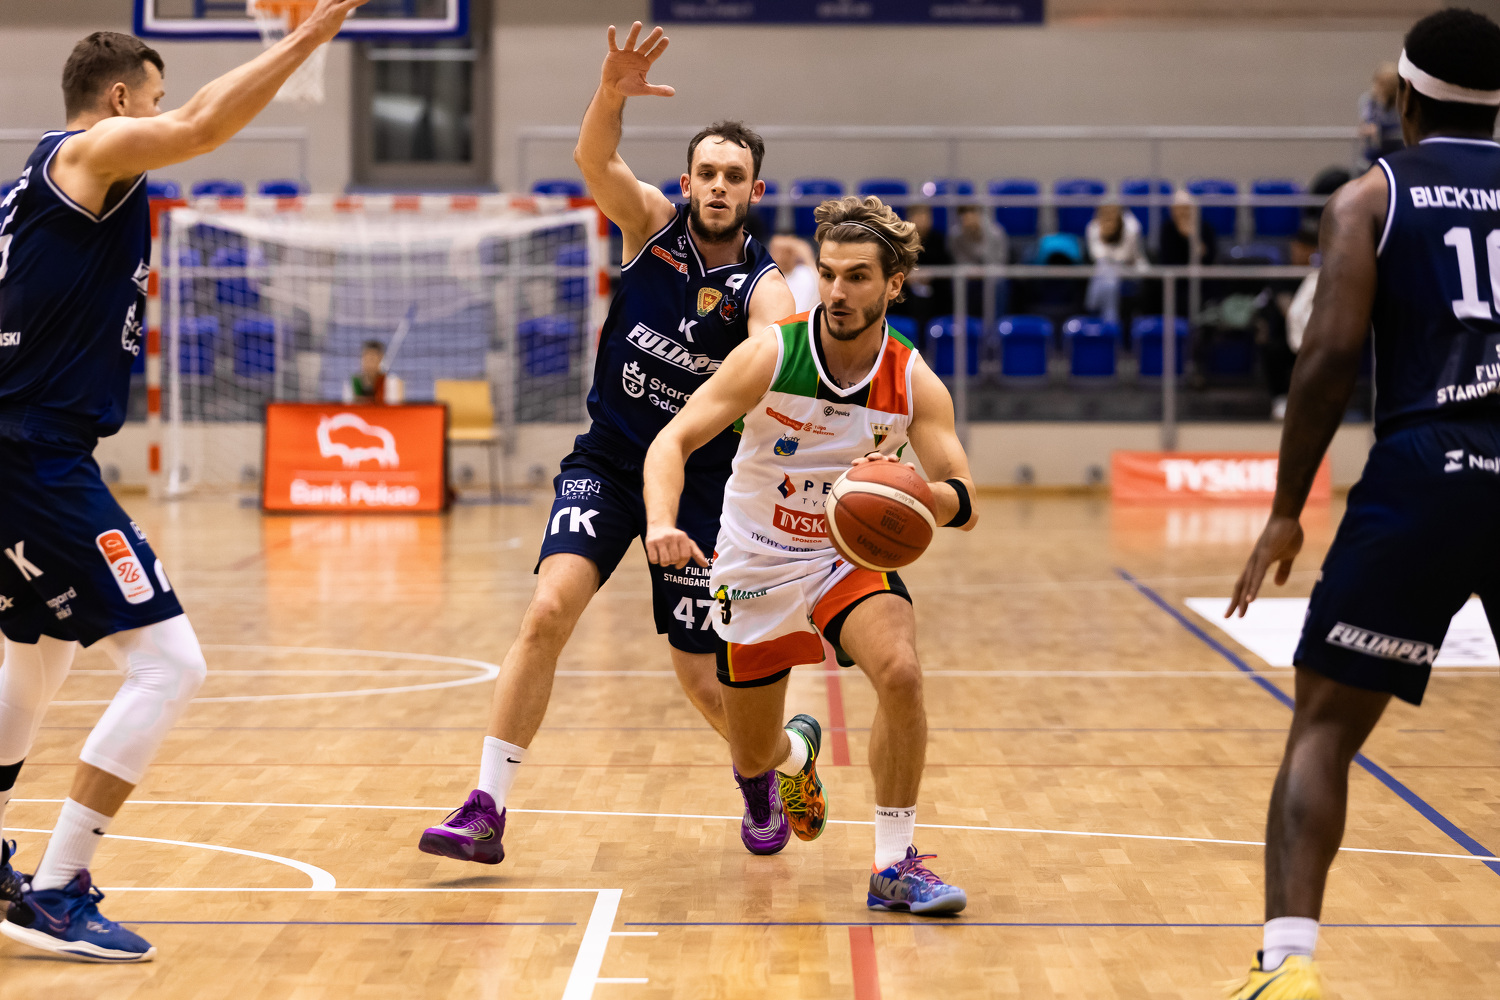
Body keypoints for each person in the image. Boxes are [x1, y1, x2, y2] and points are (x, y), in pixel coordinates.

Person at [0, 6, 367, 963]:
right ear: (121, 100)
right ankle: (56, 890)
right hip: (35, 454)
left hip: (22, 449)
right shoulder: (88, 153)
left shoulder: (23, 193)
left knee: (37, 655)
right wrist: (301, 41)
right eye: (154, 101)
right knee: (171, 664)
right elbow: (203, 127)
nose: (163, 119)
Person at [417, 22, 795, 865]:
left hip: (703, 489)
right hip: (609, 461)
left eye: (734, 176)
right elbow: (595, 160)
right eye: (707, 173)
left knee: (704, 683)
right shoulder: (651, 225)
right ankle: (486, 807)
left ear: (754, 190)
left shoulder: (764, 290)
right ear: (688, 182)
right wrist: (610, 94)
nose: (719, 186)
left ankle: (770, 770)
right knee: (547, 611)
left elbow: (780, 353)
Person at [1224, 10, 1500, 998]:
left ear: (1406, 102)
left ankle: (1287, 965)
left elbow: (1331, 355)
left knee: (1326, 728)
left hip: (1428, 463)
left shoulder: (1370, 198)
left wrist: (1286, 505)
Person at [642, 195, 978, 912]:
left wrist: (914, 493)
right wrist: (661, 520)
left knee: (901, 672)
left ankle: (894, 865)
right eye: (827, 274)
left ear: (893, 284)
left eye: (857, 277)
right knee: (752, 752)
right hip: (754, 559)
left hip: (842, 557)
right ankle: (794, 756)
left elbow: (965, 498)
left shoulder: (912, 380)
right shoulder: (772, 352)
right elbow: (673, 440)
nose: (837, 291)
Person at [1084, 202, 1145, 326]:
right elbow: (1096, 255)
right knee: (1107, 274)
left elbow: (1125, 256)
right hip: (1105, 273)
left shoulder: (1131, 226)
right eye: (1105, 214)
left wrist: (1111, 257)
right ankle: (1109, 322)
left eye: (1112, 214)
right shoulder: (1093, 227)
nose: (1109, 218)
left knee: (1107, 274)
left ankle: (1105, 319)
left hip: (1132, 270)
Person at [948, 204, 1010, 316]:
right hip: (969, 274)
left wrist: (985, 270)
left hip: (991, 272)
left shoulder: (996, 233)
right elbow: (959, 260)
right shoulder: (956, 236)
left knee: (999, 282)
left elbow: (1000, 260)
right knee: (958, 280)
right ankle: (964, 320)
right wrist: (972, 270)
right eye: (965, 216)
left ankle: (997, 319)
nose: (969, 219)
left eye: (973, 214)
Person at [1359, 61, 1403, 167]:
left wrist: (1380, 128)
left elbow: (1401, 123)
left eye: (1389, 84)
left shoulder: (1402, 101)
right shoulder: (1369, 100)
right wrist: (1370, 126)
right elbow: (1366, 123)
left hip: (1398, 149)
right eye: (1381, 83)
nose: (1383, 88)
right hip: (1376, 151)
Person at [770, 234, 819, 313]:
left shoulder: (806, 274)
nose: (783, 256)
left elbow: (820, 281)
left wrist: (804, 251)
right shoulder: (766, 278)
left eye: (788, 251)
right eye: (778, 251)